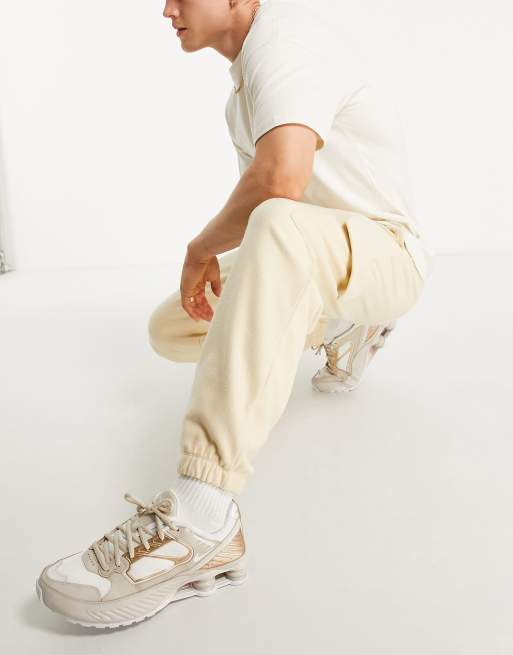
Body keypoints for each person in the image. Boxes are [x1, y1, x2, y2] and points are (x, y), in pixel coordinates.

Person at [36, 0, 435, 628]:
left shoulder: (287, 41)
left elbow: (280, 183)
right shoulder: (244, 90)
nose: (166, 9)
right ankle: (343, 326)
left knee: (274, 220)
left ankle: (204, 517)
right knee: (171, 326)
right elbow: (278, 209)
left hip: (387, 255)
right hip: (323, 257)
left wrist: (201, 247)